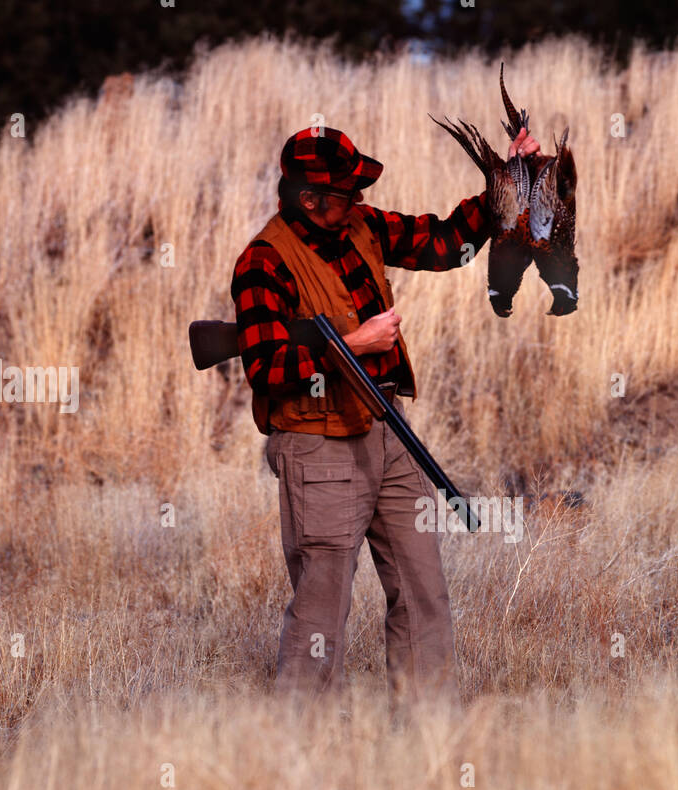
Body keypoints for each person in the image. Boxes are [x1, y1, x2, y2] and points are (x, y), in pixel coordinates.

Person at [231, 125, 540, 701]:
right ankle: (296, 754)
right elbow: (266, 369)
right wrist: (355, 344)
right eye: (347, 193)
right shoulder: (262, 263)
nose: (360, 201)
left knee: (424, 588)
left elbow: (449, 244)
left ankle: (427, 737)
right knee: (322, 607)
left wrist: (510, 183)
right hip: (317, 446)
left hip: (385, 427)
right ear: (307, 199)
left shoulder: (361, 227)